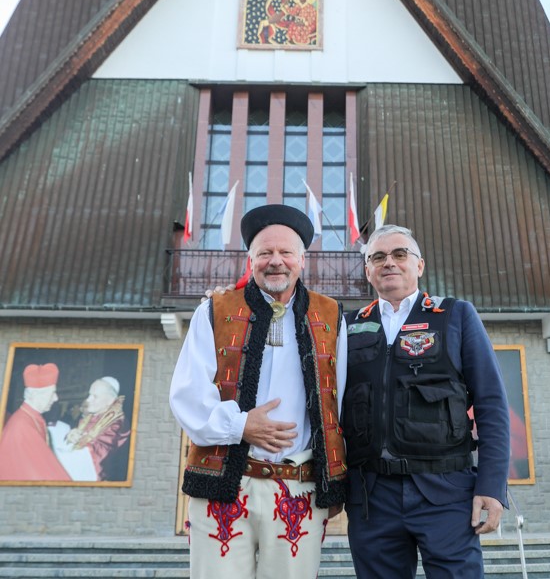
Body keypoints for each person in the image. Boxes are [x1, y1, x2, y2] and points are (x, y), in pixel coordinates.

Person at [170, 204, 347, 578]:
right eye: (265, 253)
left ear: (302, 260)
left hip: (299, 489)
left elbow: (338, 403)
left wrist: (334, 482)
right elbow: (187, 393)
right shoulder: (215, 310)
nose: (276, 261)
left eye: (286, 252)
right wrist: (240, 426)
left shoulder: (331, 315)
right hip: (224, 486)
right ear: (250, 260)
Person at [342, 224, 510, 579]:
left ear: (419, 265)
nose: (389, 262)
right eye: (378, 257)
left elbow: (491, 402)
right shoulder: (347, 327)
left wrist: (492, 487)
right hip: (372, 497)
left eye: (400, 254)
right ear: (368, 271)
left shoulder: (455, 315)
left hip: (446, 491)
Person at [0, 363, 70, 482]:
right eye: (52, 393)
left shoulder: (32, 416)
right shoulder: (22, 425)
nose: (56, 398)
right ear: (36, 395)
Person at [63, 376, 130, 481]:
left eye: (95, 396)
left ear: (110, 401)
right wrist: (70, 437)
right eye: (89, 395)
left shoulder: (117, 422)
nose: (88, 399)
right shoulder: (90, 417)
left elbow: (100, 455)